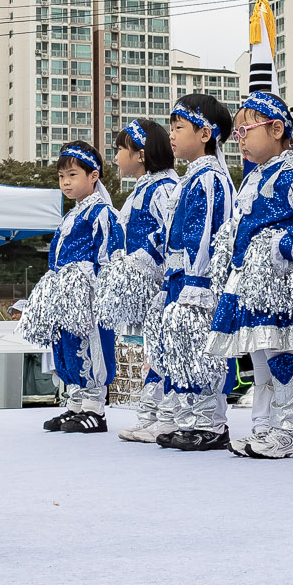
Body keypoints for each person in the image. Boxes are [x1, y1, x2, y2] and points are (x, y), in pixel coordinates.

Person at [207, 92, 293, 459]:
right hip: (250, 283)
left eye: (246, 129)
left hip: (276, 285)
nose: (239, 137)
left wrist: (284, 246)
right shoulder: (255, 176)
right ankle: (263, 426)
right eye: (237, 132)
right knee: (259, 358)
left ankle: (289, 431)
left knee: (278, 355)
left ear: (276, 129)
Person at [151, 94, 238, 452]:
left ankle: (210, 423)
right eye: (171, 127)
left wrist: (197, 282)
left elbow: (205, 235)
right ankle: (190, 419)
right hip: (179, 278)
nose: (171, 135)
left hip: (197, 281)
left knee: (202, 351)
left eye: (179, 127)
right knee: (183, 351)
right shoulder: (192, 178)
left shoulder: (210, 179)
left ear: (205, 134)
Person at [19, 143, 123, 434]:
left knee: (91, 347)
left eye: (73, 175)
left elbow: (110, 257)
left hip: (87, 297)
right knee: (66, 347)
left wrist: (92, 285)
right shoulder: (70, 217)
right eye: (61, 176)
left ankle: (95, 409)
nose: (65, 182)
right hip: (65, 297)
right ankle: (76, 403)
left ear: (94, 176)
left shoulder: (102, 214)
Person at [104, 119, 180, 443]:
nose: (117, 155)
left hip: (164, 286)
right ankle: (149, 415)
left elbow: (168, 236)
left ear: (141, 154)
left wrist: (143, 266)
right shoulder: (143, 187)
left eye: (122, 148)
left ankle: (167, 416)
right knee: (153, 350)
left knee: (163, 351)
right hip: (147, 287)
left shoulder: (164, 188)